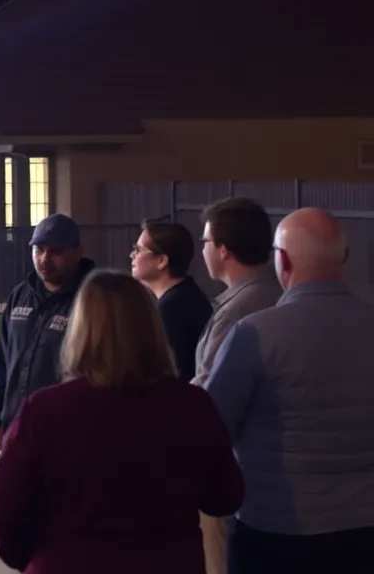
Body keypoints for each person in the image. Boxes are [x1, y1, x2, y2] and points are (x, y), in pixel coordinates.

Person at [0, 270, 244, 574]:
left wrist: (36, 557)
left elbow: (0, 506)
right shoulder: (190, 406)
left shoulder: (47, 411)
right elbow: (226, 496)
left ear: (81, 330)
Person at [207, 208, 374, 573]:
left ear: (281, 260)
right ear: (345, 257)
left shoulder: (255, 334)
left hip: (275, 527)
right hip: (365, 528)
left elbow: (213, 425)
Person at [193, 197, 282, 574]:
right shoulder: (260, 295)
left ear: (224, 249)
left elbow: (213, 387)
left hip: (236, 468)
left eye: (206, 241)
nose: (203, 249)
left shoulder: (244, 308)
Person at [0, 214, 95, 457]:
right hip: (16, 425)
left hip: (68, 433)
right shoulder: (20, 295)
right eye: (39, 250)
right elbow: (2, 361)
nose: (44, 260)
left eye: (55, 252)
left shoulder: (93, 298)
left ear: (78, 252)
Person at [130, 219, 213, 382]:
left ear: (161, 261)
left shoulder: (170, 308)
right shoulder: (185, 295)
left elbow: (171, 374)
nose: (132, 255)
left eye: (138, 250)